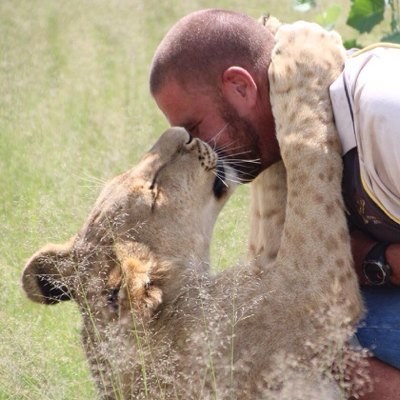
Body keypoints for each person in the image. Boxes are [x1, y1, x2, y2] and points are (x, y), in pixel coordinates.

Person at [149, 9, 400, 399]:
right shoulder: (289, 131)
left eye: (196, 128)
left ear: (240, 86)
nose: (202, 153)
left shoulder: (385, 115)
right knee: (264, 331)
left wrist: (373, 262)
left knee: (316, 339)